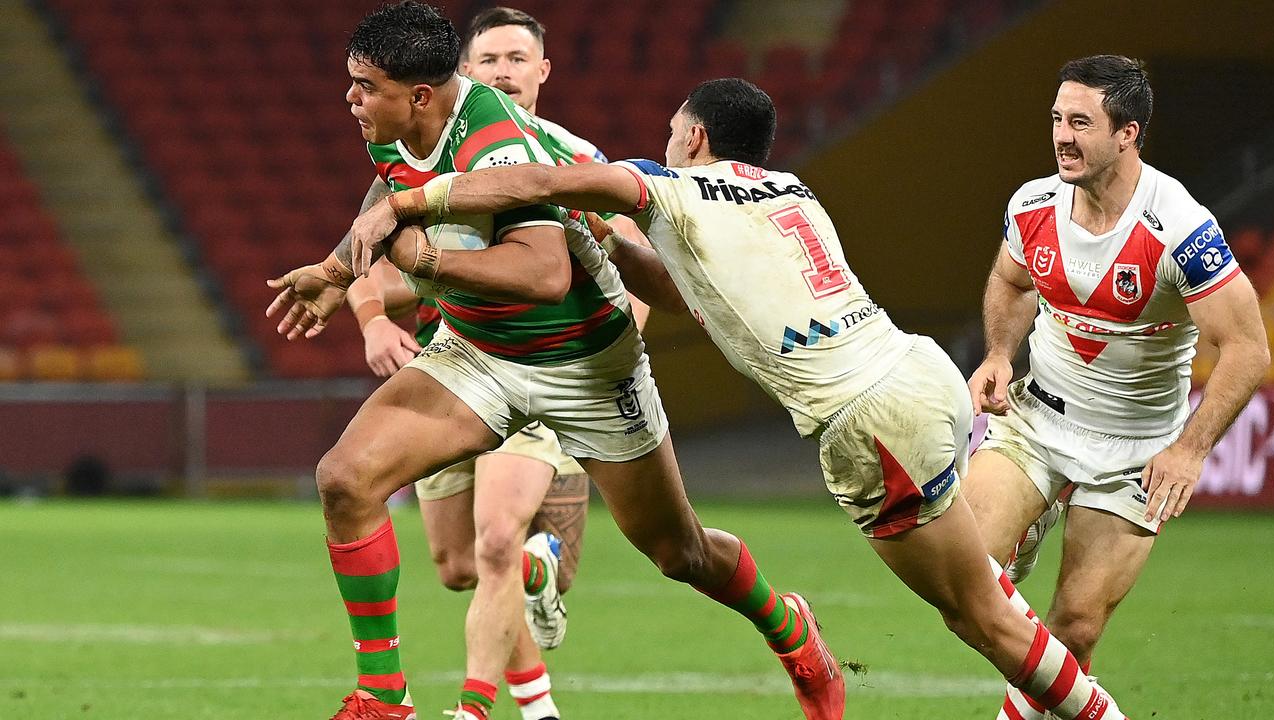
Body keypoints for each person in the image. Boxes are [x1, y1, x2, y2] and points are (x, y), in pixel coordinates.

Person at [346, 76, 1139, 720]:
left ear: (693, 140)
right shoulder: (789, 189)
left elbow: (550, 177)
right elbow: (683, 286)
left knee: (982, 619)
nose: (661, 145)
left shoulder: (675, 190)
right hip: (914, 373)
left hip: (869, 421)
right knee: (983, 592)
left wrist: (409, 204)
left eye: (669, 132)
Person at [265, 4, 843, 719]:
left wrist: (422, 260)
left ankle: (789, 626)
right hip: (479, 353)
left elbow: (544, 274)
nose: (350, 98)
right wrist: (336, 271)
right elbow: (392, 189)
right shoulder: (397, 120)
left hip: (585, 365)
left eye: (363, 85)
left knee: (680, 553)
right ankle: (385, 699)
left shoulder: (504, 147)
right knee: (346, 481)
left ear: (420, 94)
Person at [342, 9, 652, 718]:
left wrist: (614, 359)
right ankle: (535, 610)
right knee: (458, 566)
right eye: (489, 60)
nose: (503, 71)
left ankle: (484, 708)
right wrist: (369, 317)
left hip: (549, 362)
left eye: (519, 58)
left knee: (496, 539)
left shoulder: (567, 155)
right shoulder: (417, 141)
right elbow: (372, 247)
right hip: (457, 358)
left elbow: (627, 261)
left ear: (543, 72)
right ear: (458, 77)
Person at [961, 55, 1269, 719]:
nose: (1061, 137)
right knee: (960, 575)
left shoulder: (1180, 227)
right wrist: (997, 354)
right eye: (1056, 120)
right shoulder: (1034, 204)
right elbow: (1011, 283)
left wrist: (1189, 451)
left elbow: (1247, 348)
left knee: (1074, 630)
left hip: (1134, 450)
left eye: (1080, 122)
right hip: (1036, 423)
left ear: (1128, 134)